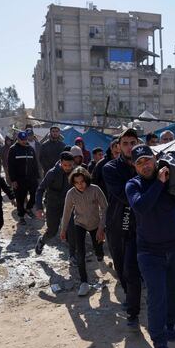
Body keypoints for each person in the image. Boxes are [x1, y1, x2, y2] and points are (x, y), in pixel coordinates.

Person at [126, 144, 175, 348]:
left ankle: (171, 322)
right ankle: (159, 343)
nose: (145, 165)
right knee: (156, 296)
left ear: (155, 159)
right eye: (139, 163)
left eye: (147, 160)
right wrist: (159, 184)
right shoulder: (133, 185)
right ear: (134, 166)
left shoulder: (170, 177)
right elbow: (141, 207)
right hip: (149, 252)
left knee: (174, 290)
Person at [103, 129, 142, 329]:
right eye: (125, 143)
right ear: (118, 146)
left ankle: (133, 307)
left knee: (133, 267)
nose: (129, 147)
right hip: (118, 224)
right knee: (121, 266)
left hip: (140, 225)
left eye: (132, 142)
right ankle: (129, 296)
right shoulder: (110, 168)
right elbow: (125, 196)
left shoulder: (145, 164)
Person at [59, 167, 107, 296]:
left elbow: (105, 208)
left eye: (82, 182)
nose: (80, 185)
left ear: (86, 180)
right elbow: (67, 212)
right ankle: (84, 283)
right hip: (79, 224)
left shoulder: (95, 189)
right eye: (77, 183)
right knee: (80, 253)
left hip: (96, 224)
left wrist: (102, 227)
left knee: (98, 248)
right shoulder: (71, 193)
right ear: (73, 183)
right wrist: (63, 230)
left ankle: (100, 259)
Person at [35, 151, 76, 257]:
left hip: (69, 205)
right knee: (52, 231)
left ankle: (72, 255)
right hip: (53, 205)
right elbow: (40, 189)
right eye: (65, 165)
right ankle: (42, 241)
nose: (68, 168)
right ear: (61, 163)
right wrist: (39, 208)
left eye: (70, 165)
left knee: (72, 229)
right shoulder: (52, 173)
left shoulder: (75, 173)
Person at [8, 131, 40, 225]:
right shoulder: (13, 149)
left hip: (31, 178)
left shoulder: (30, 149)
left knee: (34, 195)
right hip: (19, 179)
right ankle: (21, 216)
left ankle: (29, 208)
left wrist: (37, 176)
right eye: (22, 140)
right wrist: (13, 180)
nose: (24, 141)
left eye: (25, 139)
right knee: (20, 199)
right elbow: (11, 166)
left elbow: (34, 163)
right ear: (18, 139)